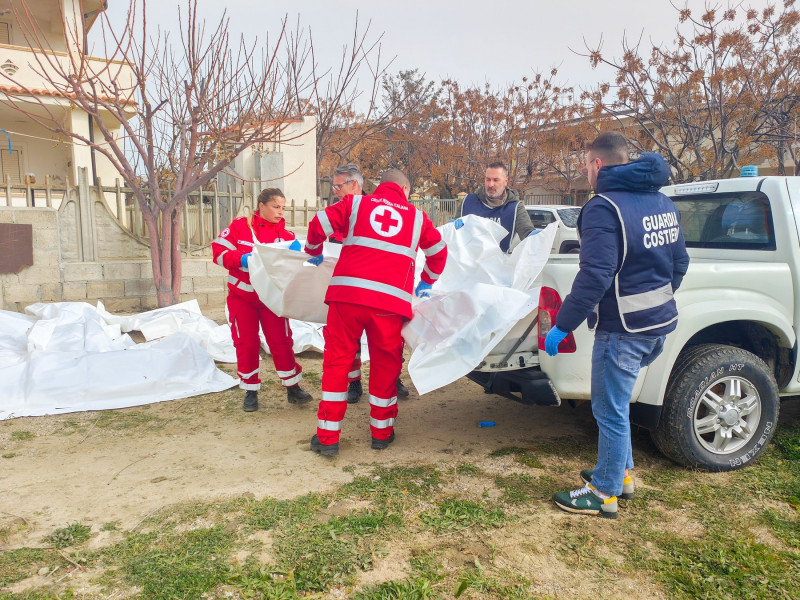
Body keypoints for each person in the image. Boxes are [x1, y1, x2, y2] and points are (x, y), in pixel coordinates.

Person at [545, 132, 689, 519]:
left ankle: (604, 492)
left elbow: (596, 275)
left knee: (608, 409)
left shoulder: (602, 207)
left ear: (597, 165)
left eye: (584, 165)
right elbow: (680, 263)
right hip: (658, 324)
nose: (584, 172)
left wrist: (563, 325)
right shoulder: (662, 201)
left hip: (622, 330)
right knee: (618, 404)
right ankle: (621, 474)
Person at [304, 168, 447, 456]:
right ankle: (381, 433)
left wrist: (313, 249)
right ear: (405, 191)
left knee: (337, 363)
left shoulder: (355, 203)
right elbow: (439, 252)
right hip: (389, 306)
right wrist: (426, 282)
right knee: (385, 365)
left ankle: (328, 437)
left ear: (380, 186)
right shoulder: (417, 218)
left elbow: (319, 223)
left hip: (348, 299)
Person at [212, 187, 313, 412]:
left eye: (283, 208)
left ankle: (292, 387)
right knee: (246, 343)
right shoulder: (240, 227)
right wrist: (240, 259)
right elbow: (217, 253)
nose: (280, 212)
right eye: (276, 207)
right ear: (261, 206)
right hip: (242, 297)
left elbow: (294, 271)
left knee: (281, 341)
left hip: (271, 299)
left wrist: (298, 257)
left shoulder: (287, 237)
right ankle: (250, 391)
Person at [329, 163, 411, 404]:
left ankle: (392, 379)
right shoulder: (340, 208)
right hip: (351, 286)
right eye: (333, 186)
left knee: (387, 343)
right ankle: (354, 382)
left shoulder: (373, 207)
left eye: (339, 185)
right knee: (349, 343)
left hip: (383, 287)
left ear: (354, 184)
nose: (335, 191)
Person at [460, 161, 535, 252]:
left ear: (505, 181)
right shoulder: (468, 202)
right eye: (488, 179)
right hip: (469, 263)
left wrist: (536, 237)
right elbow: (453, 234)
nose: (490, 184)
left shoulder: (515, 207)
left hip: (499, 263)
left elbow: (527, 232)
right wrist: (452, 227)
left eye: (496, 180)